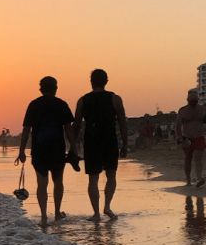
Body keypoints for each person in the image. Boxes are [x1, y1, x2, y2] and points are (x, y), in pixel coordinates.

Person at [17, 75, 75, 225]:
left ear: (41, 89)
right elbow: (68, 129)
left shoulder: (34, 105)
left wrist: (21, 151)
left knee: (42, 183)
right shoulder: (61, 104)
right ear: (56, 88)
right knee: (58, 181)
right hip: (57, 149)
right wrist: (74, 147)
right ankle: (56, 213)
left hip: (39, 149)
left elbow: (26, 130)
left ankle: (43, 216)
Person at [73, 69, 128, 221]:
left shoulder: (82, 100)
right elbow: (123, 122)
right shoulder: (115, 99)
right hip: (110, 140)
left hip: (91, 141)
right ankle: (107, 207)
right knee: (111, 175)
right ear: (106, 81)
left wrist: (73, 146)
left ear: (91, 82)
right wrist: (125, 143)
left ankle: (96, 213)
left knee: (93, 178)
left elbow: (76, 125)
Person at [175, 89, 206, 188]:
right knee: (188, 159)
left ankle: (199, 178)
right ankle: (188, 180)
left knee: (198, 158)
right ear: (188, 99)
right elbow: (178, 126)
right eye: (191, 100)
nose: (193, 102)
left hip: (199, 137)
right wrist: (179, 137)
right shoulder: (182, 110)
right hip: (187, 138)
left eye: (195, 100)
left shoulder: (202, 109)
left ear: (198, 99)